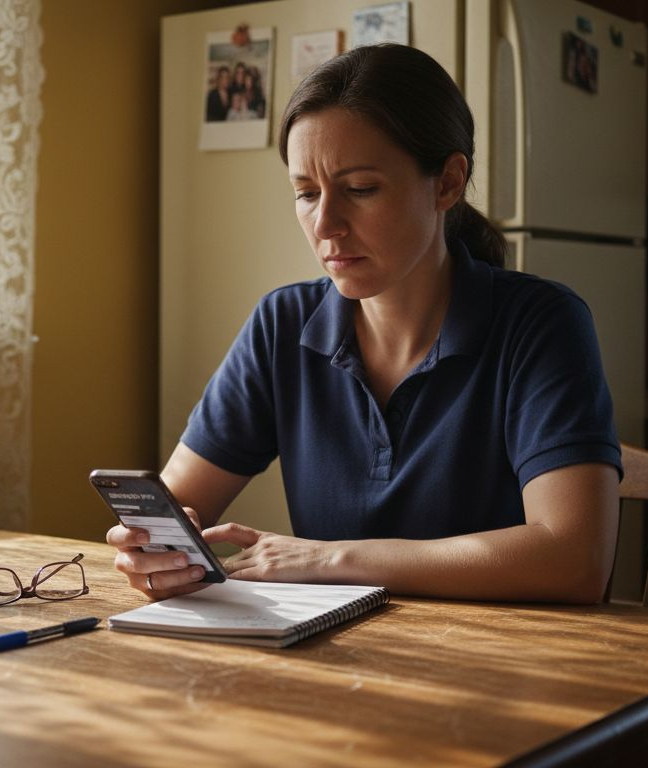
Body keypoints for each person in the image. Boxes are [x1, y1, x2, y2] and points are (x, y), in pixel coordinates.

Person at [111, 44, 621, 604]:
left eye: (360, 189)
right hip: (333, 656)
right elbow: (179, 502)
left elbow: (575, 559)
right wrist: (149, 547)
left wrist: (329, 557)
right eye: (306, 193)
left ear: (448, 182)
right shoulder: (282, 323)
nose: (325, 223)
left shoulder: (541, 324)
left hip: (497, 664)